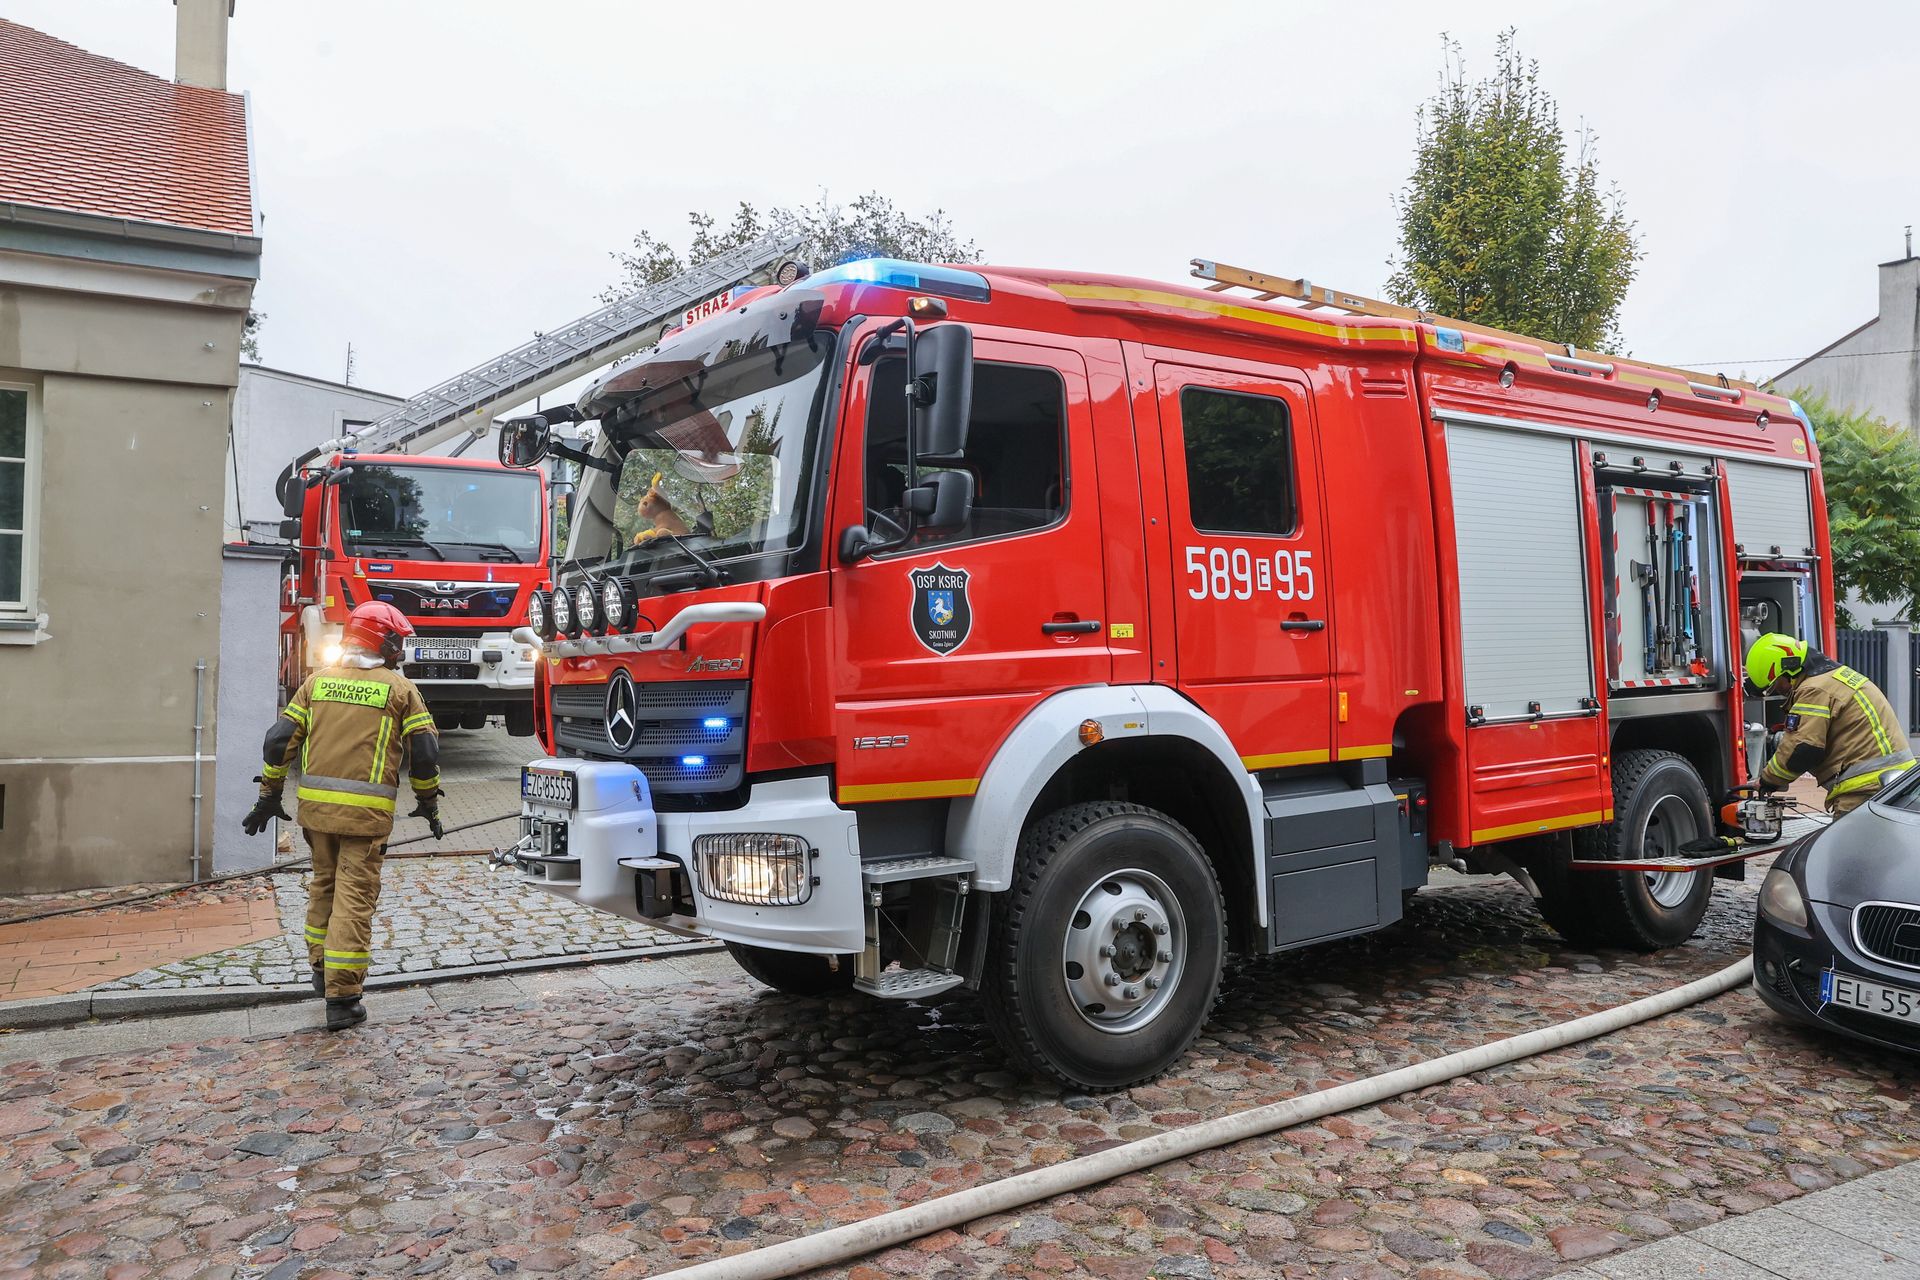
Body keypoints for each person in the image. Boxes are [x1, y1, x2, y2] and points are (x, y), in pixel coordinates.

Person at [241, 601, 445, 1029]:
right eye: (397, 641)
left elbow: (279, 740)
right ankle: (343, 997)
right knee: (354, 900)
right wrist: (428, 802)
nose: (400, 649)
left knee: (323, 888)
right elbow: (424, 754)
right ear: (383, 642)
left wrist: (269, 794)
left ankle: (320, 971)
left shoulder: (316, 683)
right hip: (365, 821)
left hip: (315, 814)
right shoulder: (399, 690)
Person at [1747, 632, 1914, 816]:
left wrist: (1768, 780)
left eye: (1775, 685)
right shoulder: (1834, 678)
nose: (1779, 691)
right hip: (1896, 783)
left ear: (1788, 669)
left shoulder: (1814, 689)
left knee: (1848, 845)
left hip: (1865, 789)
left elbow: (1804, 748)